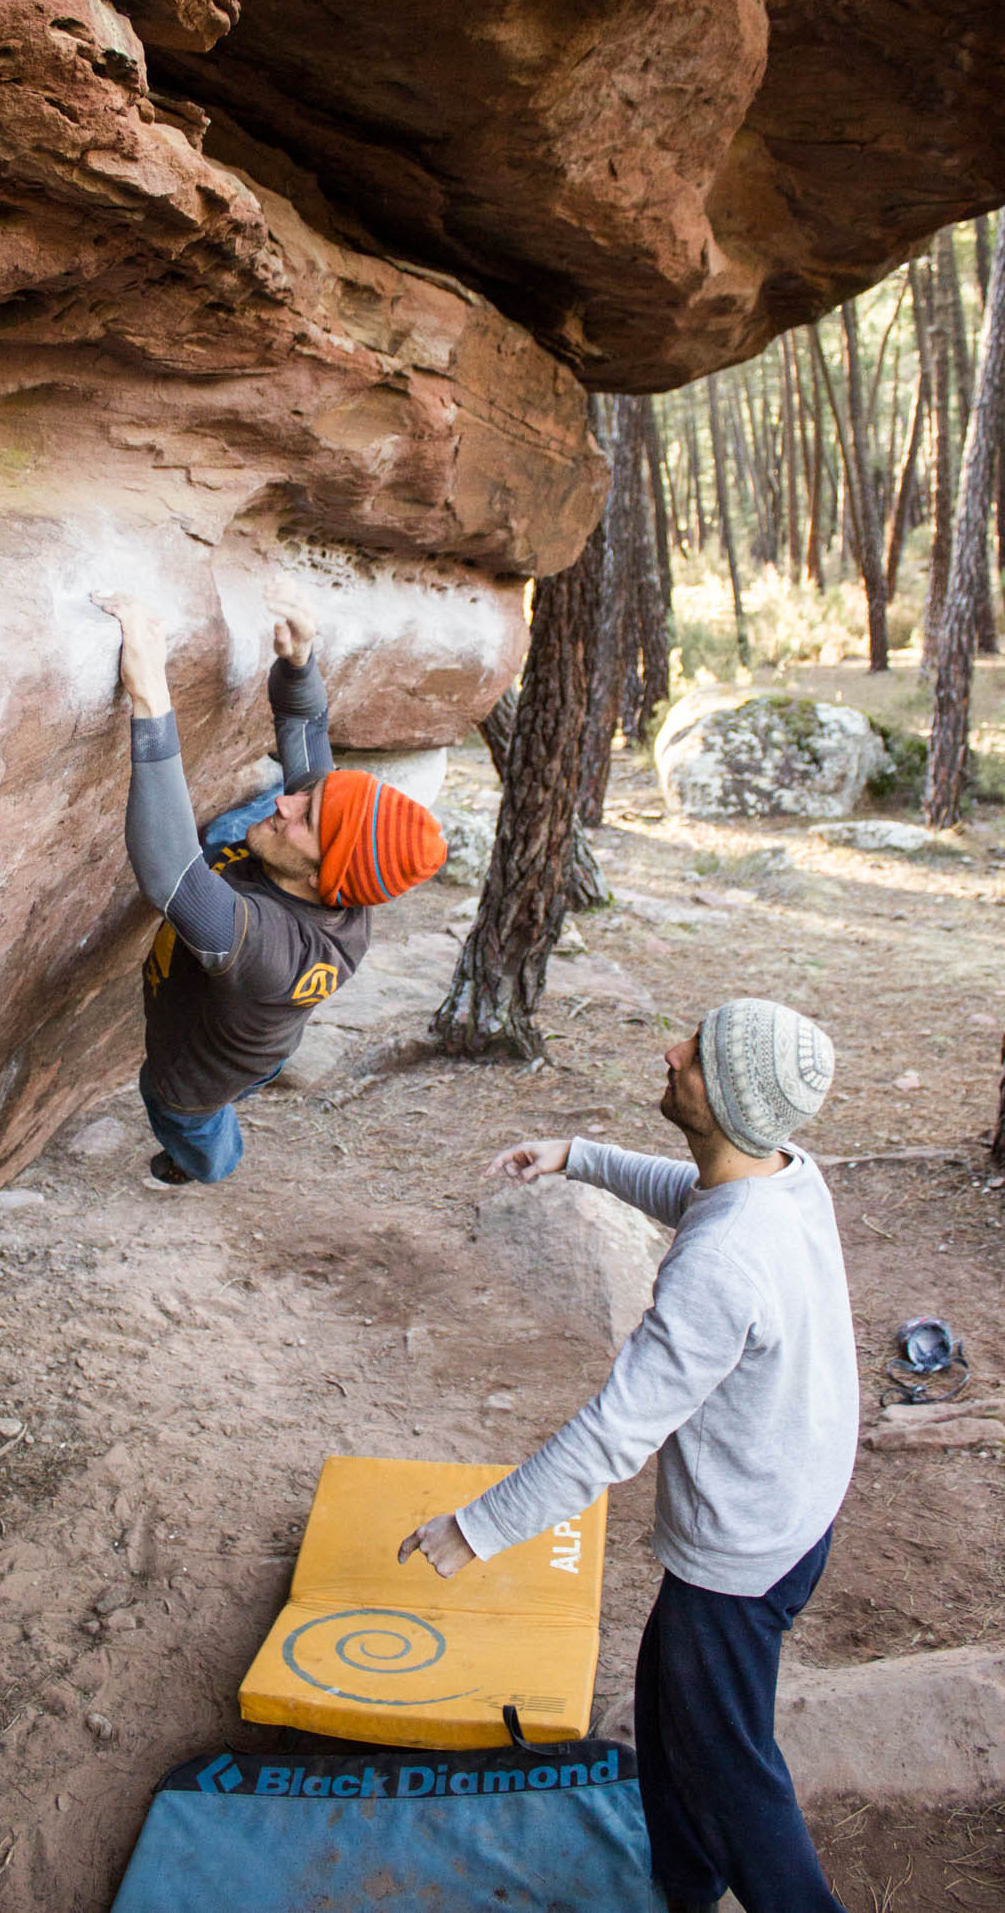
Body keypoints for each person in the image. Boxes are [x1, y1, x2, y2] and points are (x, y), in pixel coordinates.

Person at [399, 999, 855, 1913]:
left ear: (722, 1100)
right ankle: (686, 1882)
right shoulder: (787, 1176)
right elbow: (699, 1194)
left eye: (695, 1054)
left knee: (732, 1769)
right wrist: (583, 1158)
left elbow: (615, 1433)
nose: (671, 1051)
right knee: (667, 1704)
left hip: (743, 1554)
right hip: (802, 1508)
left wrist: (480, 1528)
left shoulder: (720, 1265)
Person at [94, 584, 446, 1186]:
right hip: (256, 1019)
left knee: (178, 1111)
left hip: (198, 1075)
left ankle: (204, 1163)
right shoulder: (337, 870)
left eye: (305, 818)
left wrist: (150, 694)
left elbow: (168, 870)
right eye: (311, 798)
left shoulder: (270, 953)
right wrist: (299, 660)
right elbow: (305, 725)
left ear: (322, 875)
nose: (289, 801)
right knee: (254, 819)